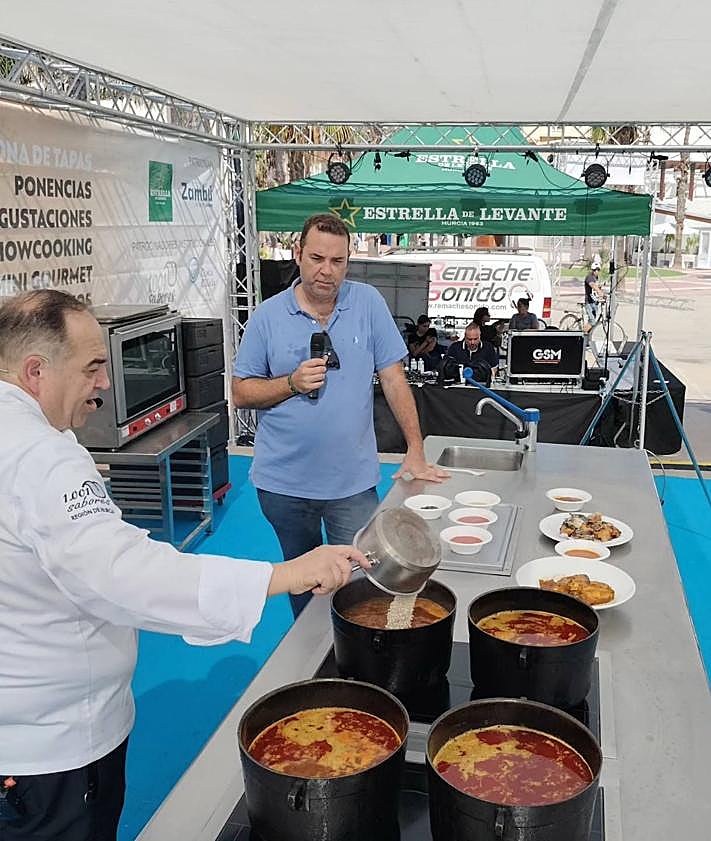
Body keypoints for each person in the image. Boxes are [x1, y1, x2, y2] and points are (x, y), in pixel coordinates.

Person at [0, 289, 369, 841]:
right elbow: (124, 575)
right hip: (51, 747)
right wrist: (284, 575)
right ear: (36, 372)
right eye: (93, 368)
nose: (104, 383)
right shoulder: (41, 458)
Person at [232, 214, 447, 618]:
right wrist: (291, 383)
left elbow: (394, 378)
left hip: (352, 486)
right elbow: (241, 392)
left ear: (348, 261)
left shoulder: (367, 303)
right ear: (297, 255)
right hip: (283, 487)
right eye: (316, 258)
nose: (326, 271)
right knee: (304, 584)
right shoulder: (266, 317)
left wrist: (415, 448)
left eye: (338, 261)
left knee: (365, 585)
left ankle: (358, 664)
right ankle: (314, 667)